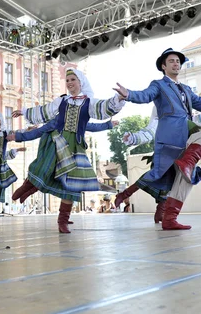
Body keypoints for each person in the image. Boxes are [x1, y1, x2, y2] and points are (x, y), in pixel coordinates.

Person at [114, 48, 201, 230]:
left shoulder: (186, 89)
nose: (176, 64)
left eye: (178, 61)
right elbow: (145, 95)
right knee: (156, 174)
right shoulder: (158, 85)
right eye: (172, 61)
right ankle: (125, 195)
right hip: (169, 137)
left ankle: (170, 218)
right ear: (163, 66)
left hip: (186, 134)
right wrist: (129, 95)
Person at [10, 68, 124, 233]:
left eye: (73, 80)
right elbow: (44, 111)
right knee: (45, 168)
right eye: (67, 80)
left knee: (73, 184)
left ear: (80, 82)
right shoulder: (62, 101)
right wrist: (25, 112)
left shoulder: (89, 102)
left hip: (75, 147)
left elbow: (102, 109)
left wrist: (119, 98)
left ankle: (62, 220)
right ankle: (27, 187)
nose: (70, 83)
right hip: (56, 141)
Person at [9, 117, 118, 204]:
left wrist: (108, 124)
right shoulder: (57, 119)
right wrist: (19, 135)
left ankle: (63, 219)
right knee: (44, 171)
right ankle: (26, 188)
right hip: (54, 149)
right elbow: (38, 131)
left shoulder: (78, 120)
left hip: (70, 153)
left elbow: (92, 126)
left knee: (69, 183)